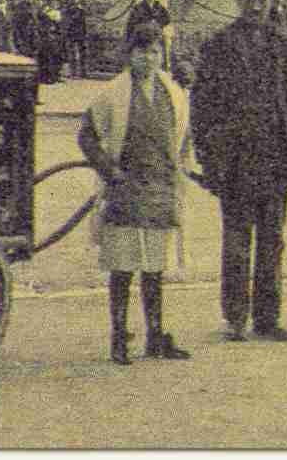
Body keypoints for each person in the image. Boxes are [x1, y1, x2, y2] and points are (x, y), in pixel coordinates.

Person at [190, 0, 287, 342]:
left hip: (277, 156)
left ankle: (268, 317)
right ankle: (235, 317)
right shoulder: (219, 46)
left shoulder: (286, 45)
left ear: (271, 1)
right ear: (238, 1)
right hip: (235, 160)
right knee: (235, 240)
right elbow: (202, 105)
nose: (255, 5)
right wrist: (206, 154)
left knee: (273, 238)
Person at [77, 22, 192, 364]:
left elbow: (183, 138)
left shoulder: (172, 93)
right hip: (124, 189)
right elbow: (86, 137)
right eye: (141, 51)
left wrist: (180, 170)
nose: (148, 58)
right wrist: (110, 172)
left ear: (162, 54)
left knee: (154, 269)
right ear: (129, 54)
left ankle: (155, 337)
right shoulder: (112, 94)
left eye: (155, 51)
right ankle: (119, 338)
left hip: (159, 190)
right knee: (122, 268)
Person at [127, 0, 171, 68]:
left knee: (165, 42)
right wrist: (144, 23)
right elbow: (132, 21)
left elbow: (167, 19)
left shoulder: (159, 7)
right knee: (133, 45)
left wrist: (158, 23)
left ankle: (165, 65)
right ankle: (131, 64)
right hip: (142, 33)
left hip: (156, 33)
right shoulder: (138, 7)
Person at [62, 0, 89, 78]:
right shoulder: (67, 0)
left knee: (82, 52)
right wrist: (75, 8)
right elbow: (65, 12)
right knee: (71, 52)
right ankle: (72, 72)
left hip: (81, 29)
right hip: (71, 30)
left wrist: (82, 8)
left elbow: (87, 10)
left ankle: (83, 72)